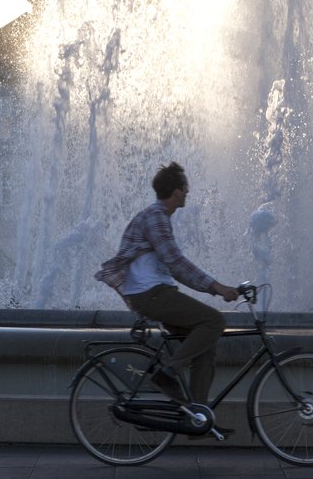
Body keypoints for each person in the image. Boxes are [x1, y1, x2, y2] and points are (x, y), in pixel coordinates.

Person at [95, 161, 239, 428]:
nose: (188, 194)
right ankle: (168, 372)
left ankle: (198, 415)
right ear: (176, 191)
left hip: (155, 292)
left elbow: (173, 267)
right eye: (186, 189)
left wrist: (215, 287)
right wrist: (216, 287)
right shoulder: (155, 217)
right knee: (214, 322)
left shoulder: (158, 217)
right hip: (150, 294)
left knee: (205, 346)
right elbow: (175, 262)